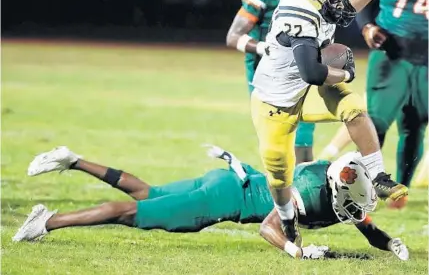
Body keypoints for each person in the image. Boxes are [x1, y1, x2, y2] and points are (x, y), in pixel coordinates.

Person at [13, 146, 408, 261]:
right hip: (225, 198)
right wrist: (296, 250)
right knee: (137, 214)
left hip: (229, 181)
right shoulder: (310, 192)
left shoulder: (340, 184)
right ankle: (47, 221)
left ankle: (72, 159)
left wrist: (391, 244)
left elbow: (366, 224)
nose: (356, 213)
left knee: (148, 195)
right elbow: (268, 227)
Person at [250, 0, 407, 244]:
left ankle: (379, 176)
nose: (341, 6)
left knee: (354, 106)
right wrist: (345, 72)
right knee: (279, 175)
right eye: (335, 0)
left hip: (308, 93)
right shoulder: (296, 14)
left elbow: (347, 6)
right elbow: (312, 73)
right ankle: (286, 220)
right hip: (276, 103)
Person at [226, 0, 323, 164]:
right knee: (277, 144)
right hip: (267, 75)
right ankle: (281, 193)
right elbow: (233, 37)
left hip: (304, 72)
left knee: (303, 142)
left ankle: (305, 192)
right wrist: (264, 48)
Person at [356, 0, 428, 188]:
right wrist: (367, 27)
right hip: (390, 51)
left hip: (426, 57)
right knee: (376, 121)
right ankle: (365, 185)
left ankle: (402, 187)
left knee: (415, 125)